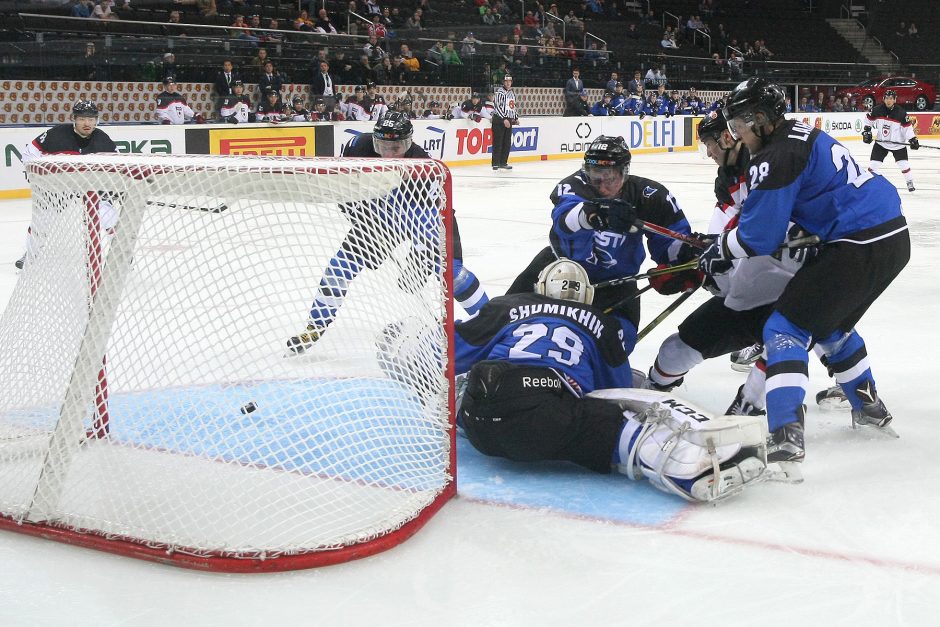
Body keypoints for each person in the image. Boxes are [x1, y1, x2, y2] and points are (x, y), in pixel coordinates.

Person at [699, 77, 910, 464]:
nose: (736, 135)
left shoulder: (774, 156)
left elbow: (758, 238)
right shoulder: (799, 134)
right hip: (893, 239)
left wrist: (719, 250)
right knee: (828, 324)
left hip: (856, 243)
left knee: (784, 329)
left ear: (760, 119)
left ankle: (786, 439)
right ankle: (869, 407)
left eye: (739, 126)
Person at [453, 259, 768, 503]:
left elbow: (448, 352)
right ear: (587, 296)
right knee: (618, 423)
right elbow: (616, 392)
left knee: (464, 388)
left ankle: (454, 407)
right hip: (545, 413)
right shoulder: (599, 323)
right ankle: (684, 466)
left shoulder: (508, 306)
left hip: (477, 416)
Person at [287, 112, 490, 352]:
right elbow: (343, 189)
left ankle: (491, 324)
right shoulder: (357, 146)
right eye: (383, 146)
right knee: (339, 269)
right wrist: (355, 211)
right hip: (379, 217)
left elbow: (429, 219)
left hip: (423, 216)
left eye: (396, 148)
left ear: (409, 143)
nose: (389, 155)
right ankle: (315, 326)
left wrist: (422, 254)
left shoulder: (424, 167)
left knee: (451, 273)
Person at [506, 136, 693, 356]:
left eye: (609, 179)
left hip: (616, 285)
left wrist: (686, 263)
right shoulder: (574, 185)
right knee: (502, 320)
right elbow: (564, 219)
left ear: (624, 171)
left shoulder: (649, 196)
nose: (602, 187)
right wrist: (595, 213)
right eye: (595, 178)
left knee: (616, 347)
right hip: (556, 272)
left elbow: (674, 243)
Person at [16, 100, 117, 269]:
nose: (87, 123)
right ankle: (30, 253)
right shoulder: (56, 134)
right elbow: (29, 153)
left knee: (109, 217)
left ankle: (121, 256)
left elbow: (116, 166)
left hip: (91, 185)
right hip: (60, 185)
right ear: (74, 119)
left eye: (91, 119)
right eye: (83, 119)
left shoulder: (102, 139)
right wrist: (39, 176)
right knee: (42, 220)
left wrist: (114, 188)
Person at [864, 89, 919, 192]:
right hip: (881, 142)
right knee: (873, 165)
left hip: (897, 144)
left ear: (894, 100)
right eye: (887, 98)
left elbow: (907, 128)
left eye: (891, 99)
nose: (888, 100)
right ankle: (868, 182)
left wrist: (913, 139)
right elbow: (869, 120)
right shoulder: (877, 110)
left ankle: (909, 182)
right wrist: (867, 131)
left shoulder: (901, 113)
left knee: (904, 165)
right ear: (884, 99)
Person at [491, 74, 519, 171]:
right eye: (506, 81)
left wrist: (515, 117)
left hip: (508, 119)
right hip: (499, 120)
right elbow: (497, 107)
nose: (508, 83)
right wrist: (504, 119)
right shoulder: (499, 92)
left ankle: (503, 162)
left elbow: (512, 107)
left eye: (509, 81)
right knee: (498, 142)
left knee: (507, 142)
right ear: (503, 82)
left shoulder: (512, 93)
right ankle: (495, 163)